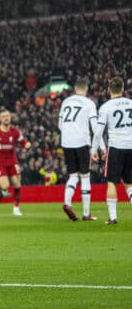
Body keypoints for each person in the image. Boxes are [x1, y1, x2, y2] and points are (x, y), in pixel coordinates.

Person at [58, 76, 102, 221]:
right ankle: (86, 213)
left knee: (72, 175)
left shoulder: (65, 102)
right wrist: (101, 146)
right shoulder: (89, 103)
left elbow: (60, 125)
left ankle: (67, 203)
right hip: (82, 142)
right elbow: (95, 127)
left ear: (75, 89)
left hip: (66, 142)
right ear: (86, 89)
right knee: (85, 176)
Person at [91, 76, 132, 225]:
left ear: (109, 90)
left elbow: (98, 132)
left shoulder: (106, 107)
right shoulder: (131, 103)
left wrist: (94, 150)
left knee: (112, 182)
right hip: (131, 146)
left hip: (116, 148)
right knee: (129, 183)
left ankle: (113, 217)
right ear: (122, 89)